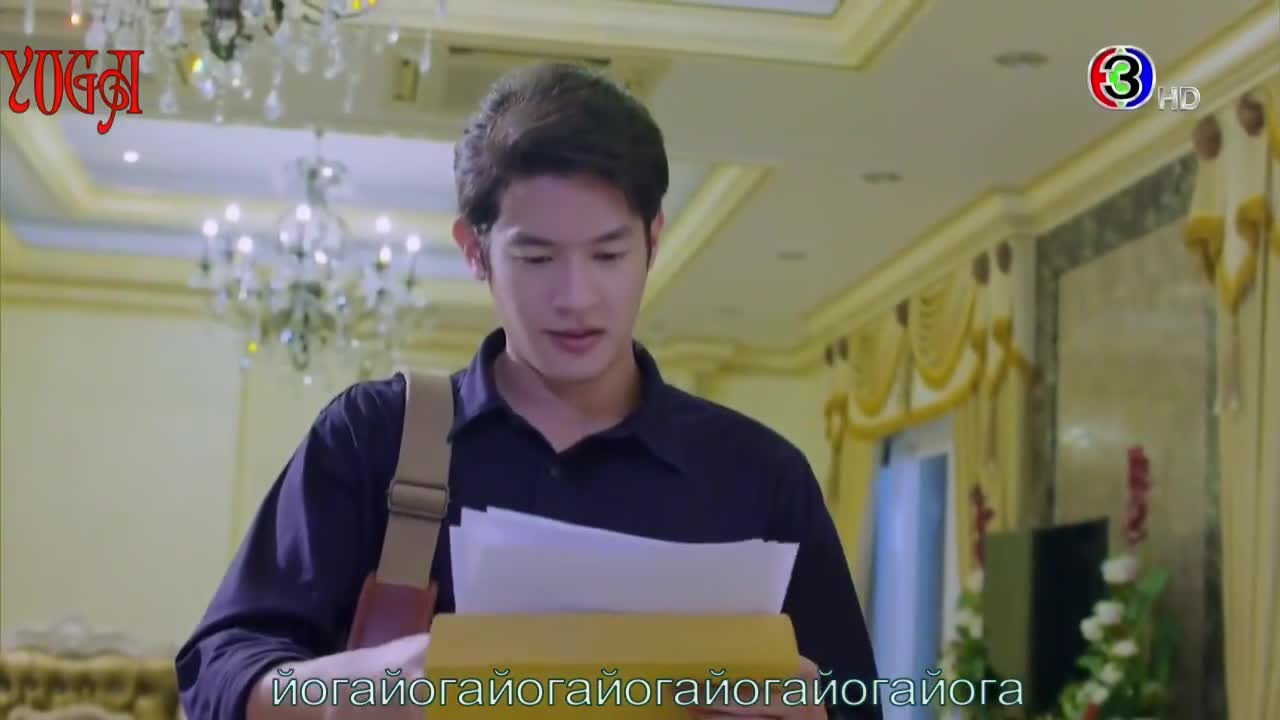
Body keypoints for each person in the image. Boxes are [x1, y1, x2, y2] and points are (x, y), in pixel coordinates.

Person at [175, 62, 881, 720]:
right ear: (475, 251)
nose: (577, 297)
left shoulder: (759, 477)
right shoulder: (375, 438)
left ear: (654, 242)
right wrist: (352, 688)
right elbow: (215, 671)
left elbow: (855, 701)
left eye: (609, 254)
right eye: (537, 257)